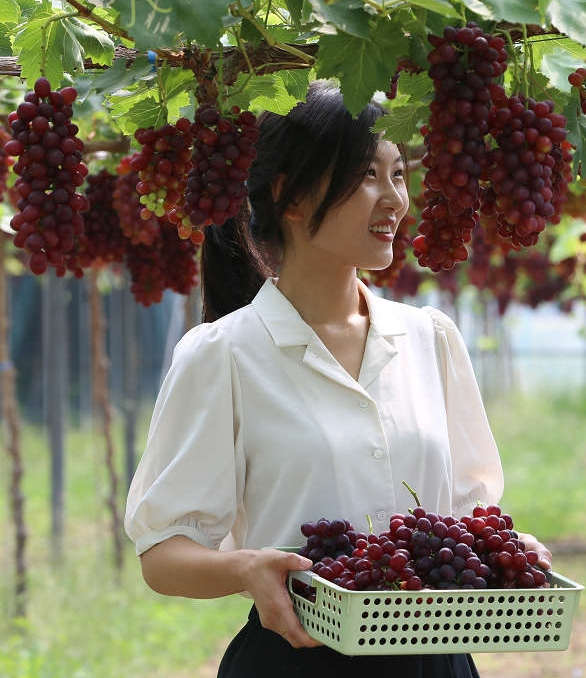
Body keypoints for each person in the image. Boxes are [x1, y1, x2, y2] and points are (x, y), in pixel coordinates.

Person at [124, 80, 551, 678]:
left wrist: (509, 551)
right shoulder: (223, 354)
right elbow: (163, 554)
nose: (395, 199)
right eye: (366, 175)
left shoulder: (431, 338)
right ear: (290, 197)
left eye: (398, 173)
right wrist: (245, 569)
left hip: (435, 661)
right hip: (297, 662)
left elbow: (466, 515)